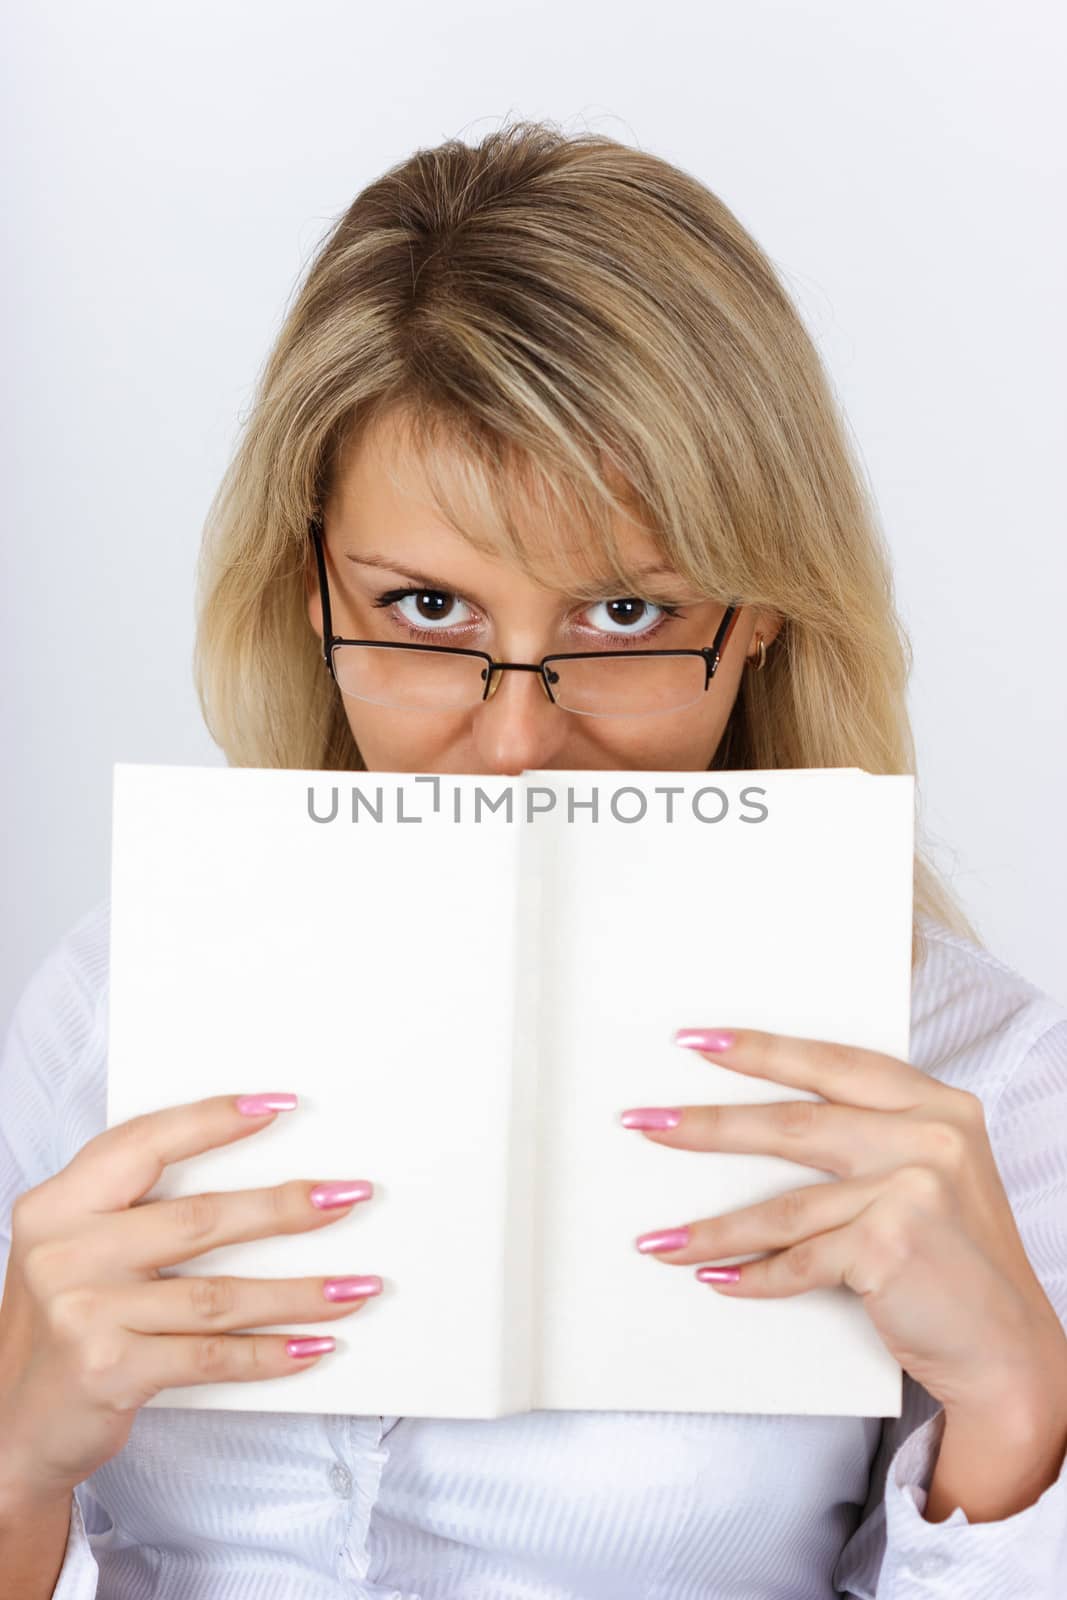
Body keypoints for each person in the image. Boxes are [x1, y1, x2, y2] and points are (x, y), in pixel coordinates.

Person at [1, 118, 1065, 1599]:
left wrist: (1017, 1410)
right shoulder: (114, 998)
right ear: (310, 585)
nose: (512, 743)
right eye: (427, 606)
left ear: (761, 612)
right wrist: (15, 1465)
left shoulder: (979, 1082)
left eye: (623, 617)